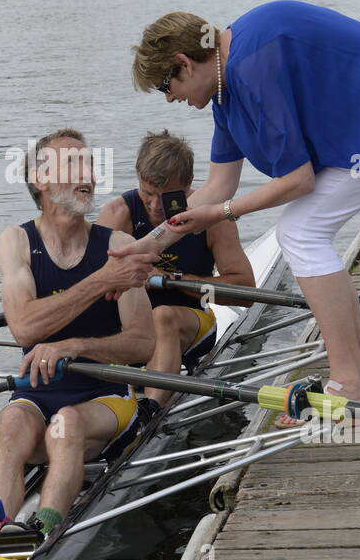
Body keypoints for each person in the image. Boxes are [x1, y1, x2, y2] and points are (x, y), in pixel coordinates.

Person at [109, 2, 360, 417]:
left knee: (300, 232)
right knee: (304, 230)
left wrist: (224, 213)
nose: (169, 99)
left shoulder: (250, 68)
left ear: (184, 63)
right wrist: (146, 246)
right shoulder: (225, 83)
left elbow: (297, 181)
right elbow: (218, 187)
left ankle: (350, 383)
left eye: (166, 85)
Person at [0, 128, 155, 536]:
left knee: (65, 424)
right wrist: (99, 283)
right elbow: (23, 326)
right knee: (9, 423)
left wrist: (75, 345)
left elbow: (144, 343)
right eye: (73, 164)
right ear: (39, 180)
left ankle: (45, 531)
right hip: (35, 390)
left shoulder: (117, 244)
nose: (89, 174)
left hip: (106, 395)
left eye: (90, 164)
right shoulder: (17, 241)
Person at [97, 130, 255, 405]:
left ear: (190, 184)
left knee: (163, 316)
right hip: (132, 327)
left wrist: (170, 278)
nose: (157, 206)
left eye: (169, 196)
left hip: (192, 321)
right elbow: (91, 284)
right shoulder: (117, 214)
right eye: (148, 194)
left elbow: (245, 291)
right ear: (138, 180)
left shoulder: (213, 218)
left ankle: (151, 409)